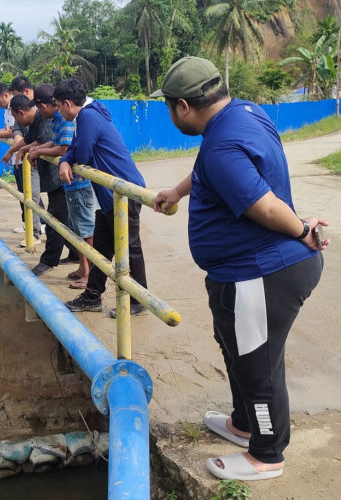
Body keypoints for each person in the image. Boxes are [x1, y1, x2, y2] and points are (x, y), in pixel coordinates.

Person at [151, 56, 330, 481]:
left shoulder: (221, 146)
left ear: (182, 106)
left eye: (168, 107)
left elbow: (264, 207)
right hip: (242, 274)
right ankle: (244, 423)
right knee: (235, 348)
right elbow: (211, 168)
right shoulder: (243, 114)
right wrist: (178, 191)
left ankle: (267, 453)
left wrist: (303, 228)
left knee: (258, 364)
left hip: (261, 274)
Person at [55, 76, 148, 317]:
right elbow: (75, 148)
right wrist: (66, 160)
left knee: (131, 247)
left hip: (124, 193)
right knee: (103, 247)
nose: (58, 111)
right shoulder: (88, 115)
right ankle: (92, 295)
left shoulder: (88, 117)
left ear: (67, 103)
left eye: (58, 105)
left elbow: (83, 153)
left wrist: (69, 160)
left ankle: (139, 300)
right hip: (111, 196)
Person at [27, 84, 94, 289]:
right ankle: (84, 269)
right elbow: (55, 143)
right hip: (71, 184)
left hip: (78, 182)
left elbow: (64, 148)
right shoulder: (59, 119)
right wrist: (36, 149)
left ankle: (88, 273)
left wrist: (38, 151)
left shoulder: (67, 120)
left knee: (83, 229)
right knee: (76, 227)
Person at [4, 94, 69, 275]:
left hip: (61, 179)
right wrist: (16, 150)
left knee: (54, 220)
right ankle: (75, 254)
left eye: (16, 118)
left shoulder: (46, 117)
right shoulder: (36, 120)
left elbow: (48, 142)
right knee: (67, 220)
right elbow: (33, 140)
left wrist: (33, 150)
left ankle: (48, 260)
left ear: (22, 113)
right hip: (55, 179)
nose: (15, 123)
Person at [0, 82, 43, 244]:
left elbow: (14, 132)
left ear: (6, 95)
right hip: (19, 157)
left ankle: (35, 232)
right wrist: (12, 149)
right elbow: (15, 132)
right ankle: (30, 226)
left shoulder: (21, 109)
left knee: (30, 195)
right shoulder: (11, 111)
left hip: (27, 158)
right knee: (24, 194)